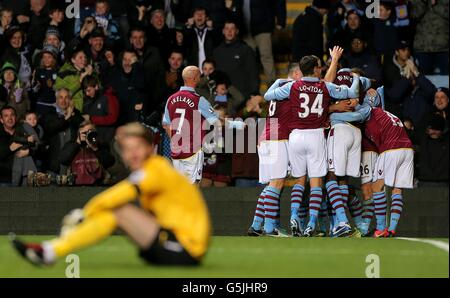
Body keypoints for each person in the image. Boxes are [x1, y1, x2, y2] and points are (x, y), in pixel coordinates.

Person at [11, 122, 211, 267]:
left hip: (187, 249)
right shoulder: (150, 169)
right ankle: (50, 251)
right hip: (169, 241)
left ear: (150, 149)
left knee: (119, 211)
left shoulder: (156, 168)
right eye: (128, 149)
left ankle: (50, 251)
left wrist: (85, 213)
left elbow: (122, 193)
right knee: (114, 212)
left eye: (138, 148)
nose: (133, 154)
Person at [264, 52, 360, 238]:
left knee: (299, 181)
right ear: (316, 69)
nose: (321, 69)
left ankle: (293, 216)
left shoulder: (292, 85)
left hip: (296, 136)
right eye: (319, 67)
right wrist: (355, 78)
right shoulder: (324, 86)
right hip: (315, 135)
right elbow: (351, 93)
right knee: (316, 182)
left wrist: (277, 81)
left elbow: (268, 95)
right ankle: (311, 223)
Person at [332, 88, 414, 237]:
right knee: (397, 190)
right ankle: (391, 229)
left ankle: (380, 228)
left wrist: (330, 113)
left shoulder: (369, 110)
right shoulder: (386, 113)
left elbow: (355, 115)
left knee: (376, 187)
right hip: (407, 149)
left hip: (391, 149)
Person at [162, 65, 245, 184]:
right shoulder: (198, 100)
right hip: (192, 152)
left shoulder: (171, 99)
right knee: (192, 190)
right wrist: (236, 125)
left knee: (180, 187)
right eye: (199, 76)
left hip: (176, 153)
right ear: (195, 79)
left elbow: (166, 125)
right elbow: (216, 122)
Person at [248, 62, 302, 237]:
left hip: (265, 137)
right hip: (278, 138)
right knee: (278, 183)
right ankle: (270, 229)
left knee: (271, 184)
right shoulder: (293, 88)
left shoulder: (278, 84)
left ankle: (256, 225)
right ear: (295, 74)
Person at [238, 0, 287, 84]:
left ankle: (271, 83)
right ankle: (250, 83)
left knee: (266, 55)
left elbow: (279, 2)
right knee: (248, 57)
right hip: (244, 29)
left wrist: (281, 22)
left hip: (263, 27)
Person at [40, 88, 84, 175]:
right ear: (56, 100)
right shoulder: (49, 115)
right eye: (61, 97)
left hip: (73, 166)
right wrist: (66, 117)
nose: (63, 100)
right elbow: (51, 128)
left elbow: (80, 125)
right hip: (53, 166)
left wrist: (72, 112)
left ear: (70, 100)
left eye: (66, 97)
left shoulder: (76, 114)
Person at [212, 20, 259, 100]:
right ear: (223, 31)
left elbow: (252, 72)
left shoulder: (245, 50)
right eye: (227, 29)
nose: (229, 31)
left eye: (232, 29)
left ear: (236, 31)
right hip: (221, 95)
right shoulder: (217, 51)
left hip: (241, 95)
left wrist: (254, 92)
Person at [59, 120, 115, 186]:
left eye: (90, 131)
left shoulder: (101, 145)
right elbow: (63, 160)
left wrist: (95, 148)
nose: (88, 134)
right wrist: (77, 143)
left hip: (98, 186)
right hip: (75, 187)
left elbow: (109, 162)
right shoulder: (72, 145)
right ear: (79, 134)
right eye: (85, 133)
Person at [411, 0, 449, 75]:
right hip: (423, 48)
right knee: (424, 80)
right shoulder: (418, 1)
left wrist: (436, 4)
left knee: (446, 79)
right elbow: (413, 16)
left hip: (444, 47)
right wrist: (423, 2)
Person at [54, 45, 96, 112]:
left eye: (85, 57)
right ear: (73, 60)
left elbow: (97, 88)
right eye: (80, 58)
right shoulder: (64, 73)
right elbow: (61, 93)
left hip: (90, 108)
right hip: (73, 110)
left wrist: (91, 76)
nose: (84, 60)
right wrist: (80, 80)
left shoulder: (87, 71)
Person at [81, 75, 119, 144]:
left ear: (96, 86)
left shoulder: (108, 97)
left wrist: (91, 118)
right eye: (85, 91)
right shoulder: (88, 101)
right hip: (94, 139)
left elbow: (113, 118)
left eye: (89, 90)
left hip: (108, 139)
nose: (87, 94)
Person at [31, 44, 59, 116]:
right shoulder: (38, 71)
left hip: (55, 105)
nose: (46, 60)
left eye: (49, 57)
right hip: (41, 105)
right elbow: (34, 89)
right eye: (44, 57)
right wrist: (36, 86)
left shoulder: (58, 71)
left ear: (54, 58)